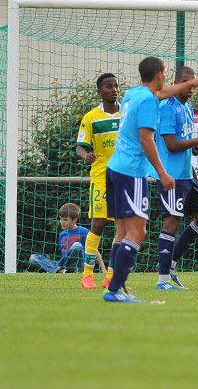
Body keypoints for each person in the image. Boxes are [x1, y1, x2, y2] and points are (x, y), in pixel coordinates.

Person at [103, 56, 198, 303]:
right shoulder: (151, 102)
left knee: (122, 232)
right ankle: (116, 289)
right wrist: (162, 172)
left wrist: (190, 82)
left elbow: (164, 93)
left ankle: (117, 287)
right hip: (131, 171)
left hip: (114, 168)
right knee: (138, 231)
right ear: (161, 74)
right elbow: (146, 140)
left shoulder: (133, 94)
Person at [151, 66, 198, 291]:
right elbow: (171, 145)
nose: (191, 87)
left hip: (187, 176)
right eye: (186, 82)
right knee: (171, 223)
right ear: (176, 82)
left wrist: (196, 177)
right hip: (172, 177)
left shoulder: (188, 108)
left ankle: (171, 263)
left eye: (193, 83)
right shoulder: (167, 108)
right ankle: (163, 280)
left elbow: (183, 144)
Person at [75, 73, 120, 289]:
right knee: (99, 224)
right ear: (100, 92)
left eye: (116, 86)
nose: (114, 89)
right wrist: (87, 156)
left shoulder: (128, 113)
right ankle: (87, 275)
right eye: (109, 86)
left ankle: (111, 277)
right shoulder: (91, 117)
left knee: (123, 227)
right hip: (102, 177)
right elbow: (79, 147)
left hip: (126, 178)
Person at [29, 203, 89, 273]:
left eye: (65, 220)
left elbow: (94, 250)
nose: (62, 222)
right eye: (60, 219)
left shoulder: (84, 231)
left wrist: (102, 268)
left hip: (78, 265)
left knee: (77, 245)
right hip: (64, 264)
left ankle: (75, 271)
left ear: (74, 220)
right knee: (33, 258)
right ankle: (61, 271)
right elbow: (64, 253)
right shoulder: (62, 235)